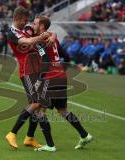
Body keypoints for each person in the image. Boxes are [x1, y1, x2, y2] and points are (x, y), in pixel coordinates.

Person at [28, 16, 93, 151]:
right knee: (63, 110)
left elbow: (45, 61)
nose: (33, 25)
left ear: (42, 26)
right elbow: (67, 57)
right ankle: (84, 135)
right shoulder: (54, 39)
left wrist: (39, 80)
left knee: (39, 111)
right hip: (60, 77)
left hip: (50, 79)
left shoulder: (41, 42)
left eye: (35, 24)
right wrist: (60, 70)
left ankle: (50, 145)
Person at [5, 6, 57, 151]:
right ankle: (12, 133)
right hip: (27, 71)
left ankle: (29, 137)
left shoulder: (27, 28)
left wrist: (52, 36)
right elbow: (25, 42)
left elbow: (47, 32)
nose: (26, 23)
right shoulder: (11, 33)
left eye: (27, 21)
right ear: (16, 19)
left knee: (40, 105)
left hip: (37, 70)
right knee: (36, 102)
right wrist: (40, 38)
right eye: (23, 21)